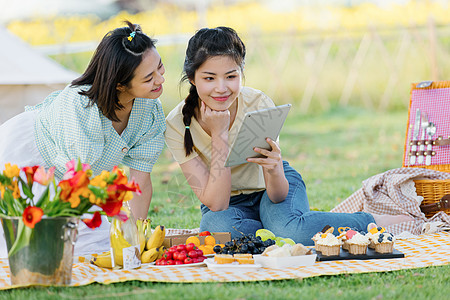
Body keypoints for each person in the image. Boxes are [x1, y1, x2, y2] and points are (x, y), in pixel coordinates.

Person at [164, 26, 412, 245]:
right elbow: (217, 205)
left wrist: (273, 169)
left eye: (231, 76)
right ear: (193, 79)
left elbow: (278, 194)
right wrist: (219, 135)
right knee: (217, 230)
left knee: (285, 228)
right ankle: (289, 227)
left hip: (274, 188)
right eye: (209, 78)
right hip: (226, 204)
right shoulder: (177, 124)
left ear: (241, 73)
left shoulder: (257, 104)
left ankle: (366, 220)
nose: (221, 88)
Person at [0, 21, 166, 255]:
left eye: (160, 67)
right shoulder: (81, 106)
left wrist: (135, 239)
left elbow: (140, 180)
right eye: (149, 78)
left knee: (97, 248)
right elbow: (76, 180)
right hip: (26, 160)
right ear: (119, 85)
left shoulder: (150, 111)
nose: (160, 80)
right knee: (29, 249)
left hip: (75, 180)